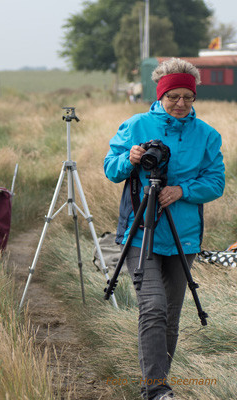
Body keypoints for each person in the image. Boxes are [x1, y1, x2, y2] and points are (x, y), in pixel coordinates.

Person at [104, 58, 225, 400]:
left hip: (183, 236)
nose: (181, 104)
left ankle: (158, 387)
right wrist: (128, 160)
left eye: (188, 96)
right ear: (161, 95)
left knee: (170, 316)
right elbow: (110, 169)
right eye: (174, 96)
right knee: (153, 307)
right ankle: (155, 390)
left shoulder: (207, 135)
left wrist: (182, 191)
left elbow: (216, 182)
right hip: (140, 232)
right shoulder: (135, 125)